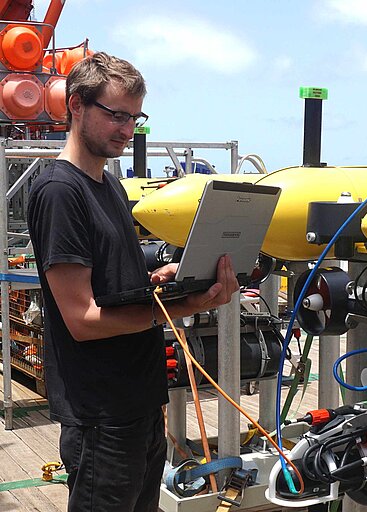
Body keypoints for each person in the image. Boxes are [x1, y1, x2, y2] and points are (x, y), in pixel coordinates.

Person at [27, 52, 239, 512]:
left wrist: (162, 281)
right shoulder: (60, 192)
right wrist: (186, 306)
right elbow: (82, 318)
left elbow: (109, 284)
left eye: (135, 117)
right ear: (77, 105)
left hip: (139, 401)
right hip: (100, 414)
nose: (128, 130)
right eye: (117, 115)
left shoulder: (109, 187)